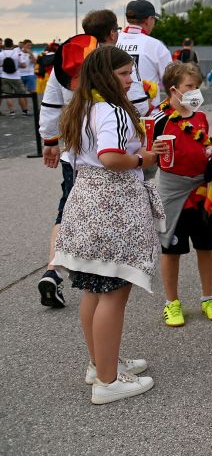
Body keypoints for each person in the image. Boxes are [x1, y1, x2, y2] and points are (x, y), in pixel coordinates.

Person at [52, 46, 166, 403]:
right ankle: (108, 380)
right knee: (114, 293)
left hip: (86, 205)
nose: (131, 80)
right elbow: (111, 157)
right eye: (123, 74)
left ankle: (100, 363)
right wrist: (143, 157)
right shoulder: (113, 111)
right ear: (106, 76)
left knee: (94, 289)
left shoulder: (81, 107)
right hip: (113, 209)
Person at [38, 10, 154, 308]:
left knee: (65, 212)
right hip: (111, 166)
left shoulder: (71, 54)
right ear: (113, 32)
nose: (128, 78)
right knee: (110, 285)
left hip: (75, 150)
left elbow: (52, 98)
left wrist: (50, 140)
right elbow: (135, 109)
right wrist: (142, 156)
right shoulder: (115, 68)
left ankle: (54, 268)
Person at [151, 62, 212, 328]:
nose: (195, 92)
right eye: (189, 87)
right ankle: (172, 302)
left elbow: (204, 143)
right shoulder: (158, 119)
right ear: (173, 89)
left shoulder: (200, 116)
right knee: (171, 250)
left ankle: (208, 298)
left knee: (206, 246)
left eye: (197, 87)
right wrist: (152, 152)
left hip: (201, 191)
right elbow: (146, 158)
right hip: (173, 193)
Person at [116, 0, 173, 101]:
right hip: (148, 113)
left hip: (116, 112)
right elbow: (172, 82)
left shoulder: (113, 42)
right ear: (149, 19)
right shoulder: (156, 46)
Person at [0, 37, 28, 116]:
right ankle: (24, 111)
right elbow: (23, 65)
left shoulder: (1, 54)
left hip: (4, 76)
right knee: (21, 94)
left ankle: (12, 112)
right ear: (12, 44)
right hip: (16, 77)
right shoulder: (16, 53)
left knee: (8, 95)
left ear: (4, 44)